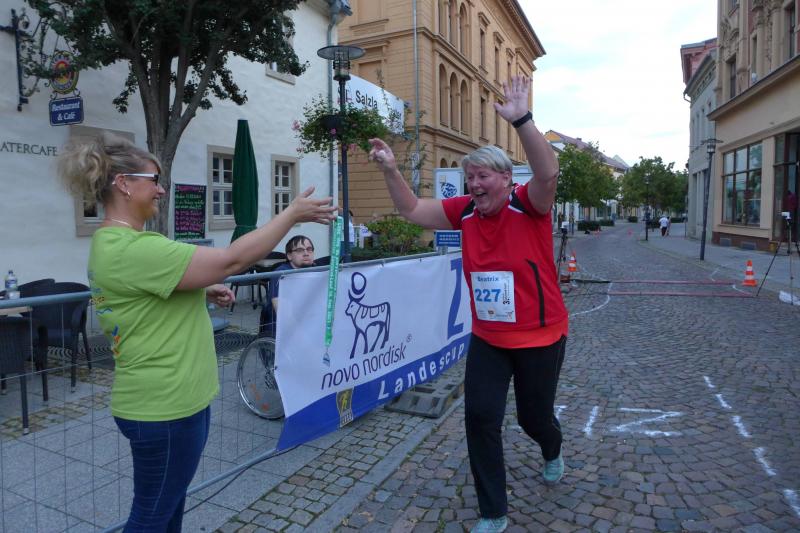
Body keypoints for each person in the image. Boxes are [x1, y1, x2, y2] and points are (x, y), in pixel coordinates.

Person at [58, 133, 335, 532]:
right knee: (151, 519)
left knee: (168, 511)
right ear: (123, 184)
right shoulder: (133, 248)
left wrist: (200, 289)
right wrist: (290, 214)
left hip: (170, 402)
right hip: (165, 407)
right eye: (154, 180)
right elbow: (232, 259)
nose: (161, 189)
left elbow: (139, 293)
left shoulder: (120, 243)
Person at [368, 75, 567, 533]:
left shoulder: (529, 205)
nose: (474, 184)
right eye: (469, 177)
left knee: (534, 418)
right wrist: (390, 170)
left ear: (505, 178)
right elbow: (412, 211)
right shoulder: (465, 212)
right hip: (489, 337)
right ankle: (493, 512)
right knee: (479, 417)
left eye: (482, 176)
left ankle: (552, 447)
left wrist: (522, 120)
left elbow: (547, 173)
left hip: (540, 335)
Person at [259, 235, 316, 337]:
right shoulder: (281, 274)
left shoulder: (317, 270)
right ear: (289, 256)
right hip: (280, 333)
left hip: (308, 327)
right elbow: (282, 312)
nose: (306, 253)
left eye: (309, 249)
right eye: (300, 250)